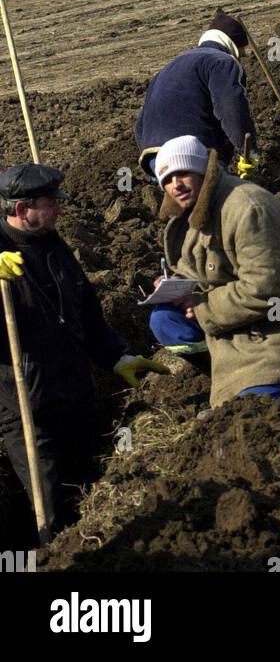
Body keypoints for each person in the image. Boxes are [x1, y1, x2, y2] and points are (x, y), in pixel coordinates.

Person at [0, 164, 164, 537]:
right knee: (52, 514)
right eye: (51, 202)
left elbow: (86, 313)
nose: (60, 208)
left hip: (76, 396)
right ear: (23, 209)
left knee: (86, 496)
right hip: (28, 410)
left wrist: (117, 356)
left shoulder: (53, 245)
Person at [149, 136, 280, 409]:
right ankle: (233, 374)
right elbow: (200, 267)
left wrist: (202, 306)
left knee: (255, 407)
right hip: (236, 320)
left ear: (203, 170)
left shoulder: (249, 209)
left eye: (183, 173)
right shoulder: (190, 212)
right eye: (167, 179)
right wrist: (176, 285)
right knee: (165, 320)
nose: (175, 185)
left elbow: (267, 290)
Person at [134, 10, 257, 179]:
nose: (242, 57)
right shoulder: (222, 62)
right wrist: (248, 152)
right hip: (191, 154)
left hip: (154, 159)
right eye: (242, 53)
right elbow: (231, 109)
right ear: (234, 46)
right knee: (223, 200)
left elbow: (140, 125)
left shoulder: (167, 69)